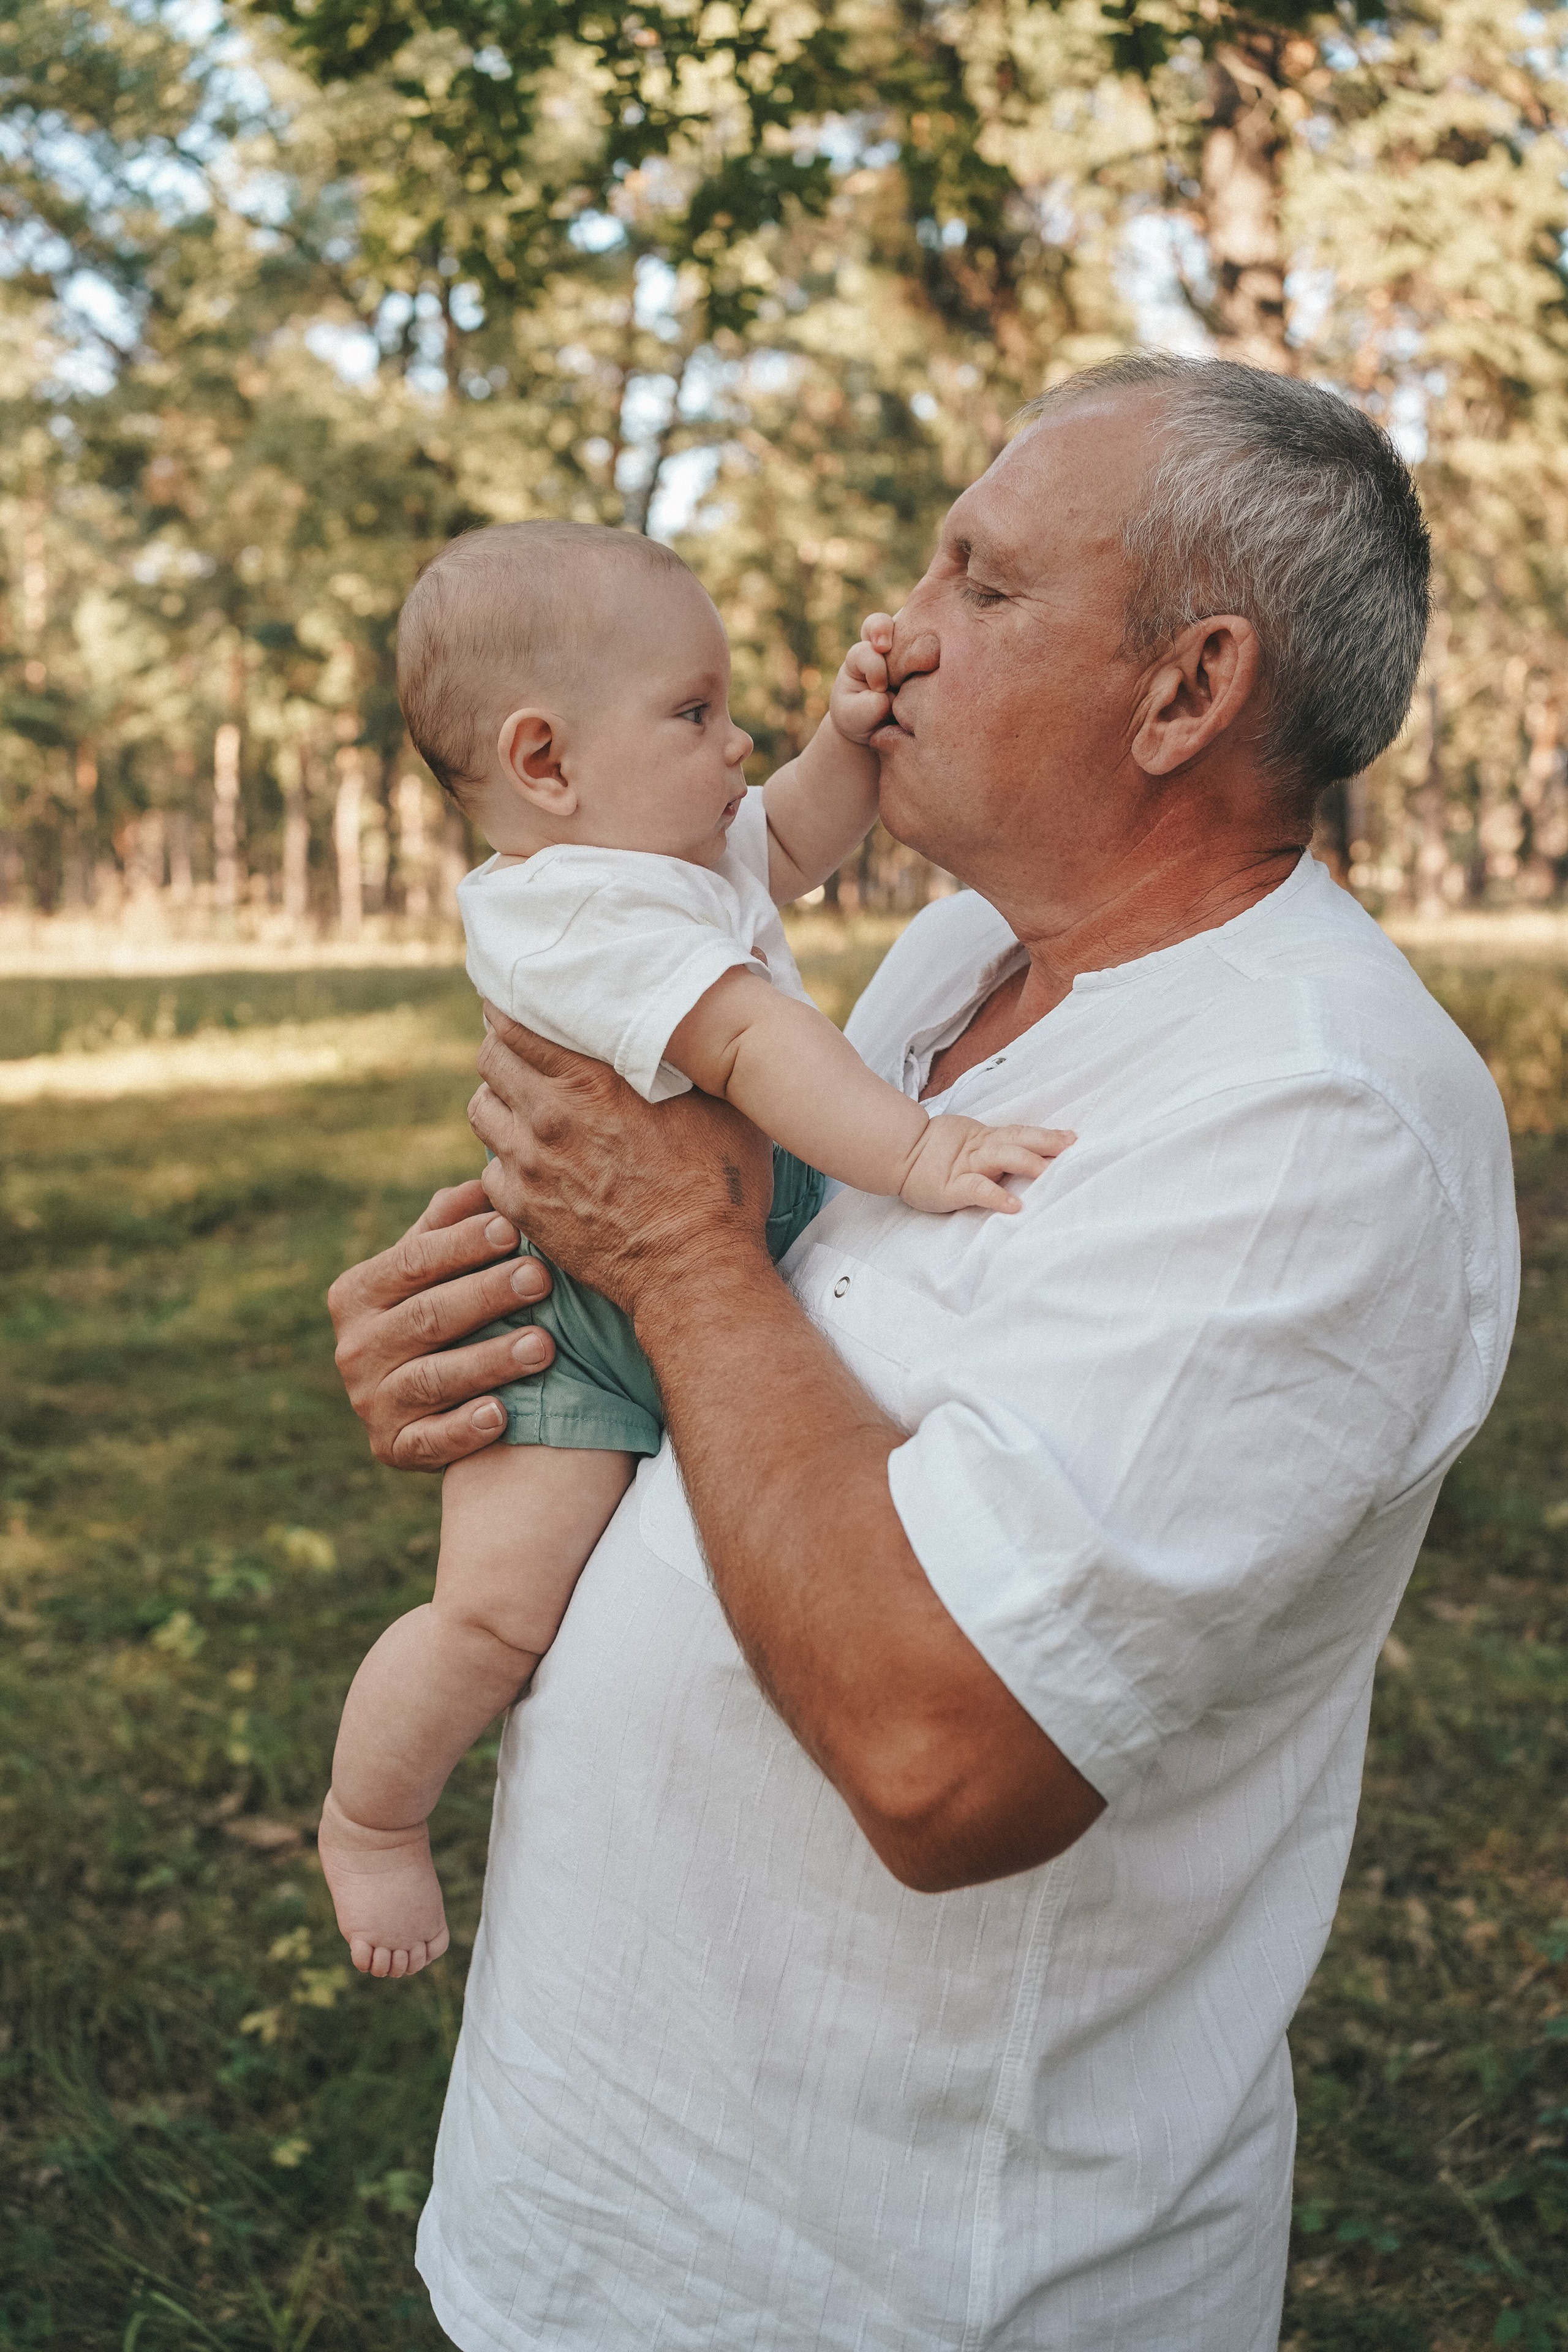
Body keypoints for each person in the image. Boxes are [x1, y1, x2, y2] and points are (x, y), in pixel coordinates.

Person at [327, 353, 1519, 2350]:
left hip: (887, 2275)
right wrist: (499, 1349)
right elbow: (768, 1366)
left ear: (1185, 691)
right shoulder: (969, 953)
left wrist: (676, 1262)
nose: (899, 633)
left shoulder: (1317, 1117)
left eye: (978, 583)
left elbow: (948, 1760)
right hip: (597, 2197)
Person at [317, 522, 1066, 1980]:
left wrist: (847, 741)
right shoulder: (567, 913)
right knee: (494, 1612)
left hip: (693, 1250)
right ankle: (371, 1816)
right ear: (544, 763)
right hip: (577, 1315)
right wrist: (914, 1152)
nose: (736, 746)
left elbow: (788, 835)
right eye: (694, 712)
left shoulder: (652, 847)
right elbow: (750, 1038)